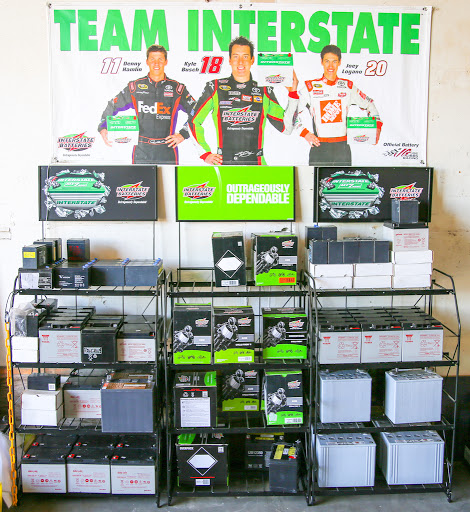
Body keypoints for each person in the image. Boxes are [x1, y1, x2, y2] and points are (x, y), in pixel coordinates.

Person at [189, 36, 289, 166]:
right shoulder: (214, 87)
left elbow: (286, 127)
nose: (240, 62)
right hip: (225, 164)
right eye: (236, 57)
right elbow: (193, 121)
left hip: (257, 164)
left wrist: (293, 94)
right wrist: (205, 154)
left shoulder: (264, 90)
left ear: (252, 60)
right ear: (230, 60)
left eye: (245, 57)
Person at [286, 44, 382, 166]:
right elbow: (291, 113)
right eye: (327, 61)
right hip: (319, 148)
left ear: (339, 62)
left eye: (334, 61)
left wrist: (377, 126)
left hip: (342, 149)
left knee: (343, 178)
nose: (330, 66)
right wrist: (305, 133)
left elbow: (370, 104)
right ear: (321, 62)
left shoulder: (348, 86)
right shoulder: (310, 87)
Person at [98, 45, 196, 164]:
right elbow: (113, 105)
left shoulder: (177, 89)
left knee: (169, 177)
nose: (156, 63)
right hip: (142, 150)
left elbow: (197, 112)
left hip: (167, 149)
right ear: (147, 62)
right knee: (140, 177)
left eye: (160, 59)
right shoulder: (135, 87)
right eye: (152, 59)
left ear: (166, 62)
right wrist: (103, 126)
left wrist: (183, 134)